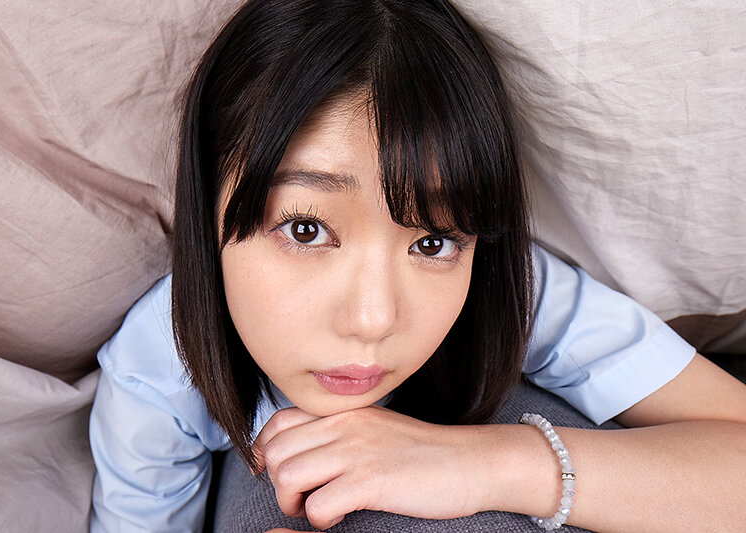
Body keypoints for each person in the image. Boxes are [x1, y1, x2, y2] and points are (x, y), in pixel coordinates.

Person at [88, 0, 746, 531]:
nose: (373, 318)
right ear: (207, 206)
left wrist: (491, 464)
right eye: (306, 228)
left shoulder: (510, 288)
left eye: (432, 243)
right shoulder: (158, 364)